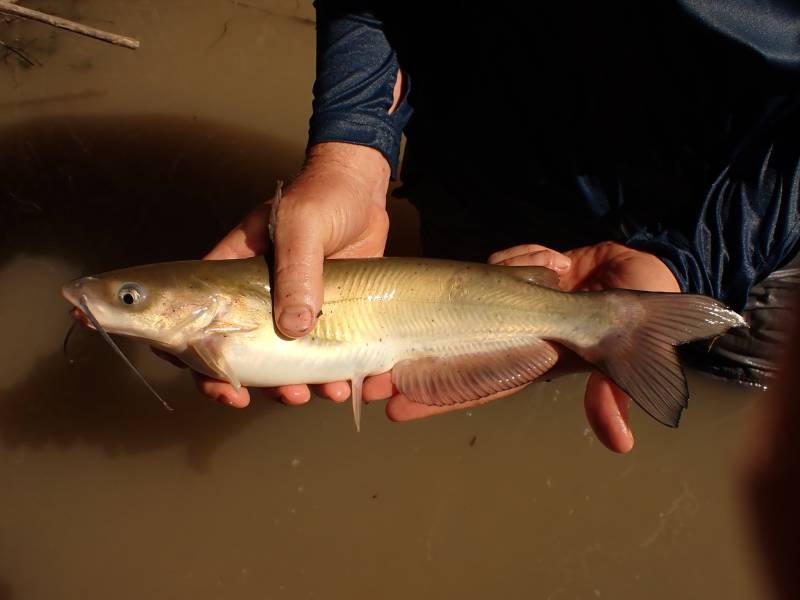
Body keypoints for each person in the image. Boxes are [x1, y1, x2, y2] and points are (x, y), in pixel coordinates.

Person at [196, 2, 800, 453]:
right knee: (466, 321)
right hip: (491, 168)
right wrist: (351, 149)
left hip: (753, 202)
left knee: (740, 368)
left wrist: (697, 260)